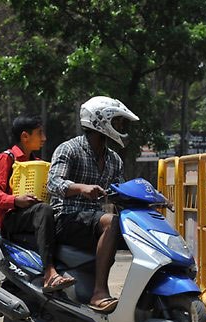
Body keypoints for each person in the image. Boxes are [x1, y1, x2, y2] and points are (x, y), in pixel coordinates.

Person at [47, 95, 139, 314]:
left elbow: (120, 192)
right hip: (65, 219)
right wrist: (81, 188)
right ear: (100, 121)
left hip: (92, 221)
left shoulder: (114, 159)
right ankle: (99, 292)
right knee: (111, 222)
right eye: (116, 122)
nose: (120, 126)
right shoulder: (68, 149)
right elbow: (53, 182)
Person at [0, 115, 75, 293]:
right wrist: (15, 200)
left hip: (33, 215)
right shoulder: (6, 158)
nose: (44, 138)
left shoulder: (37, 163)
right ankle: (50, 274)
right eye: (40, 133)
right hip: (12, 218)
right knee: (44, 210)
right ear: (25, 136)